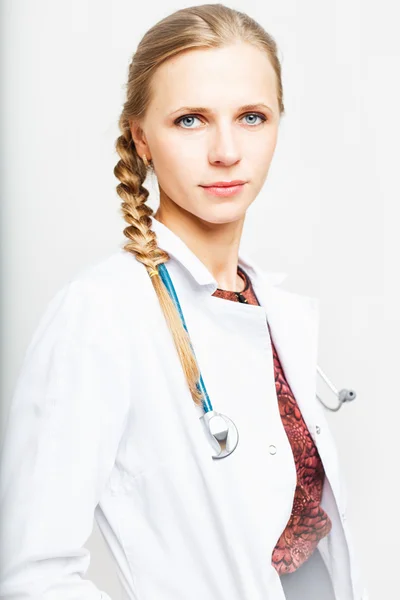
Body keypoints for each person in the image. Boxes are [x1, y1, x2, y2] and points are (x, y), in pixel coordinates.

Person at [0, 4, 368, 600]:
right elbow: (31, 575)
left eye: (251, 116)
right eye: (190, 120)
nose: (226, 151)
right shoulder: (101, 313)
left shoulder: (272, 308)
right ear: (141, 137)